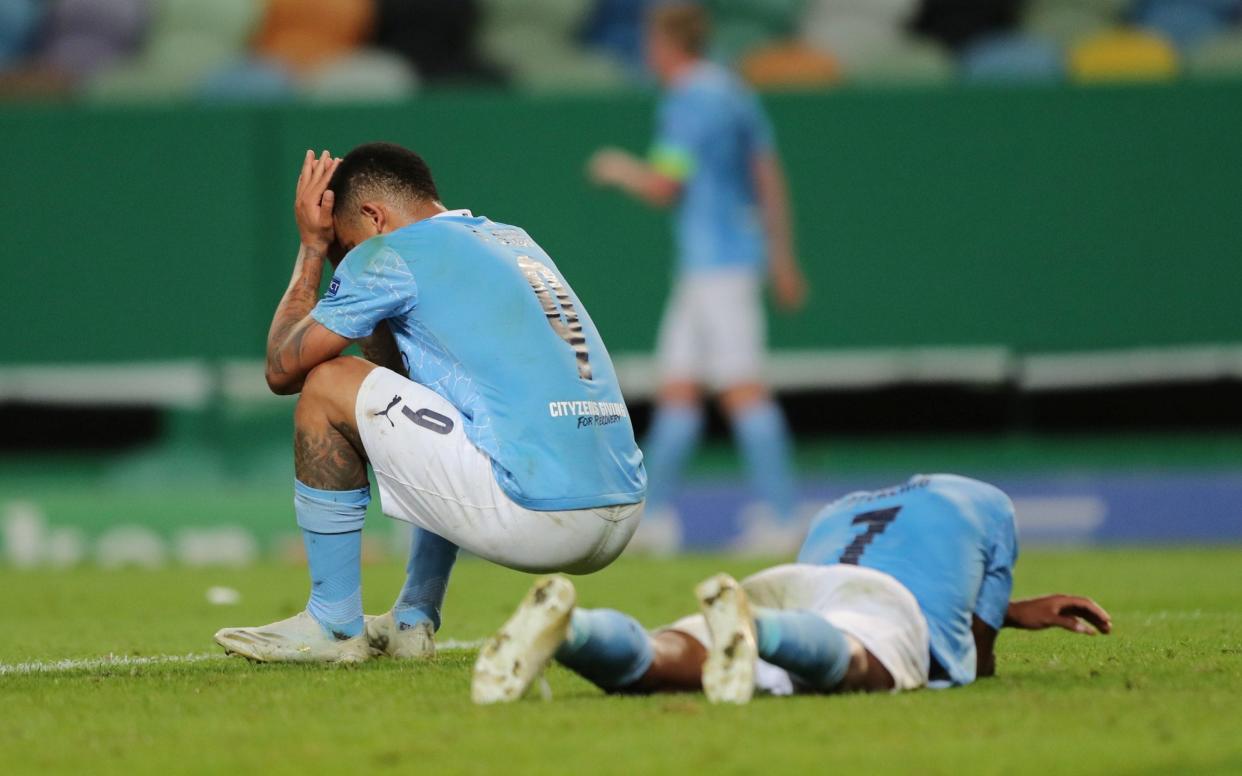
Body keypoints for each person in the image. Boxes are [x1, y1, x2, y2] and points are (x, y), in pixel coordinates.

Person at [214, 143, 646, 663]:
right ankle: (412, 619)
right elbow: (400, 385)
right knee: (432, 404)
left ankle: (331, 625)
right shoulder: (510, 240)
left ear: (374, 218)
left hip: (542, 516)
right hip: (623, 503)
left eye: (346, 248)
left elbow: (282, 369)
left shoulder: (388, 254)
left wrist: (312, 247)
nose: (345, 263)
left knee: (328, 381)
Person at [471, 474, 1112, 704]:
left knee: (668, 656)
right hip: (865, 610)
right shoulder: (992, 505)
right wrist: (999, 617)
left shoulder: (842, 508)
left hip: (795, 584)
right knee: (859, 663)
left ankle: (572, 630)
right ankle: (759, 636)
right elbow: (975, 657)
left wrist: (1017, 610)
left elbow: (837, 585)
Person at [587, 3, 808, 555]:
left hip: (717, 268)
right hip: (723, 262)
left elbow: (665, 185)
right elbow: (768, 174)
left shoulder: (687, 99)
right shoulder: (733, 90)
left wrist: (618, 169)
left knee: (742, 390)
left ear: (664, 45)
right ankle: (654, 518)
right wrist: (780, 256)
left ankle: (783, 518)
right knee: (679, 391)